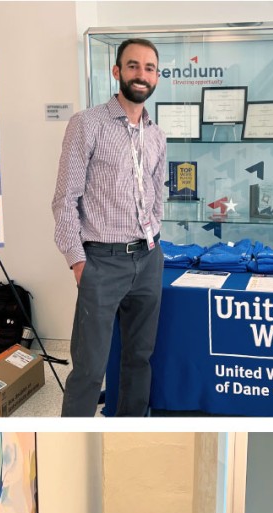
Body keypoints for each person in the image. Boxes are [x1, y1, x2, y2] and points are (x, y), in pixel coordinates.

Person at [52, 38, 166, 417]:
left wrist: (155, 232)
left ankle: (129, 428)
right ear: (116, 71)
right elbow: (65, 198)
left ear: (157, 77)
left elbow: (157, 191)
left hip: (148, 259)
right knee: (89, 367)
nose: (141, 74)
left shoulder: (157, 135)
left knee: (139, 359)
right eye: (133, 66)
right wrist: (78, 262)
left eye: (149, 68)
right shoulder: (87, 124)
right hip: (101, 261)